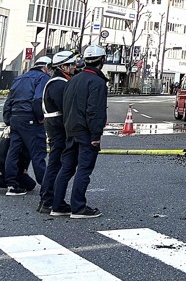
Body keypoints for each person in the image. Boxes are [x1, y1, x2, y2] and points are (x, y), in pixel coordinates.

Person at [55, 46, 108, 218]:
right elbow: (95, 111)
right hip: (86, 131)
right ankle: (78, 207)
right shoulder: (97, 82)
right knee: (84, 168)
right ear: (102, 60)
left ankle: (57, 205)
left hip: (71, 129)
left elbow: (66, 105)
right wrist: (96, 135)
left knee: (66, 168)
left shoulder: (73, 79)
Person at [4, 55, 52, 196]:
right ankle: (46, 186)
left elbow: (9, 101)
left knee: (13, 152)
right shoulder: (42, 78)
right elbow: (38, 99)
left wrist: (9, 119)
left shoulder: (20, 78)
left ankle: (11, 184)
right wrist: (40, 117)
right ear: (45, 67)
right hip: (31, 118)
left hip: (16, 118)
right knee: (38, 152)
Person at [38, 51, 77, 214]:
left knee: (56, 162)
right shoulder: (58, 83)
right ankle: (48, 200)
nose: (75, 67)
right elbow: (66, 107)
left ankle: (47, 200)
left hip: (54, 125)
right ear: (63, 66)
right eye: (72, 64)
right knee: (56, 163)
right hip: (58, 126)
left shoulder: (57, 81)